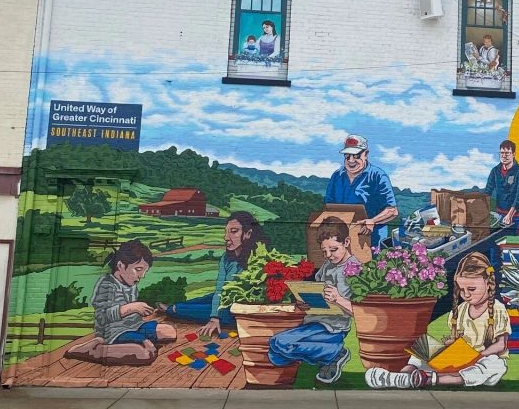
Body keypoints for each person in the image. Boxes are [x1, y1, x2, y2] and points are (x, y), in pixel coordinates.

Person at [365, 252, 509, 389]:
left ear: (488, 283)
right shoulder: (461, 309)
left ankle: (430, 379)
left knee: (494, 366)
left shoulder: (497, 309)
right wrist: (449, 345)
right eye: (461, 289)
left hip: (482, 359)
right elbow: (459, 340)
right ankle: (401, 377)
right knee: (421, 355)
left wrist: (477, 356)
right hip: (460, 358)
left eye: (471, 289)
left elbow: (501, 345)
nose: (466, 294)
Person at [268, 218, 360, 384]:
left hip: (333, 328)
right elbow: (317, 290)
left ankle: (335, 351)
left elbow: (360, 312)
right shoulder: (327, 265)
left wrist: (338, 298)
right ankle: (329, 354)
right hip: (314, 323)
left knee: (278, 342)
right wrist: (305, 301)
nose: (328, 255)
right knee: (275, 356)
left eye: (333, 249)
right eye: (324, 251)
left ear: (346, 242)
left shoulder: (353, 268)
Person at [159, 212, 268, 336]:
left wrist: (214, 317)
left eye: (233, 231)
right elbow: (220, 290)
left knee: (204, 309)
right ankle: (175, 306)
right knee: (207, 298)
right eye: (226, 232)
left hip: (239, 309)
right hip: (226, 299)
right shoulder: (226, 258)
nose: (226, 237)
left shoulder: (259, 258)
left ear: (248, 234)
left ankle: (172, 309)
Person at [91, 240, 176, 347]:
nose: (142, 276)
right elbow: (102, 316)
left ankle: (139, 341)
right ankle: (94, 350)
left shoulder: (132, 285)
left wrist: (141, 310)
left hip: (136, 326)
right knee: (146, 348)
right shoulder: (107, 284)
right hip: (114, 332)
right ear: (121, 265)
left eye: (144, 271)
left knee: (169, 331)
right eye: (138, 269)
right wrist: (132, 308)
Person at [324, 134, 399, 249]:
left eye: (356, 156)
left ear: (366, 154)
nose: (351, 160)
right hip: (341, 240)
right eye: (347, 156)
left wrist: (373, 221)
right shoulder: (336, 176)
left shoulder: (378, 176)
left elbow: (392, 210)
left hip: (371, 240)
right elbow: (328, 206)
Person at [483, 139, 519, 227]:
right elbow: (487, 191)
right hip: (499, 215)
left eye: (507, 153)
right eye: (501, 153)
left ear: (513, 154)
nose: (504, 156)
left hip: (516, 217)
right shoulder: (495, 171)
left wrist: (510, 215)